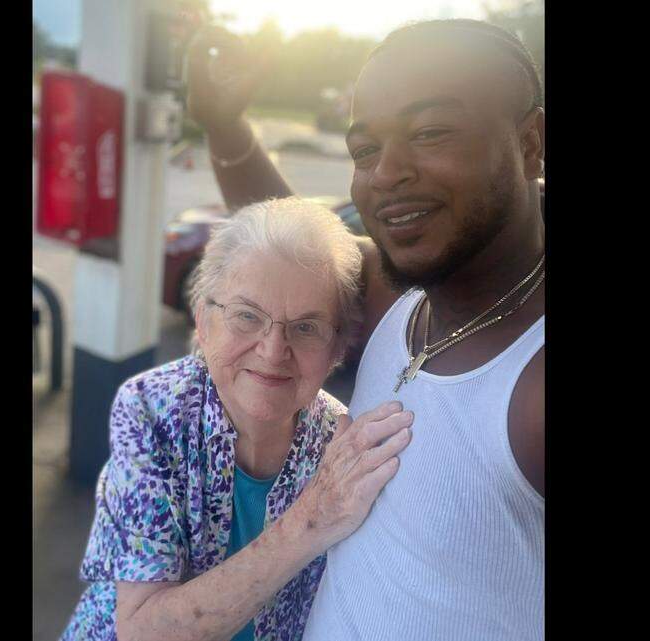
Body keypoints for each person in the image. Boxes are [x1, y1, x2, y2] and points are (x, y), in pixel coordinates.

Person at [186, 19, 545, 640]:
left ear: (531, 142)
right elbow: (293, 242)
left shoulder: (530, 389)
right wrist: (225, 125)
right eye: (364, 150)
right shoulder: (401, 297)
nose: (385, 174)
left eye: (431, 132)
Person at [60, 198, 415, 641]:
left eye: (306, 327)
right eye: (247, 316)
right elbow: (143, 630)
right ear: (204, 322)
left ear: (337, 349)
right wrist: (312, 520)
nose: (272, 351)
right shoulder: (152, 409)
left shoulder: (341, 444)